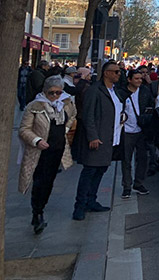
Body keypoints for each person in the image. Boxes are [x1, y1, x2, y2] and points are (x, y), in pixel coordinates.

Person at [18, 77, 77, 234]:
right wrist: (37, 140)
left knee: (49, 181)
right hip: (39, 152)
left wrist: (65, 130)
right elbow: (24, 129)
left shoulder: (65, 103)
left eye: (59, 92)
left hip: (57, 149)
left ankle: (41, 207)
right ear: (45, 91)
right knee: (39, 182)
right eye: (52, 93)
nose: (56, 96)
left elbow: (72, 116)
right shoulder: (34, 106)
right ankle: (37, 212)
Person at [72, 60, 124, 221]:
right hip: (98, 138)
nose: (119, 74)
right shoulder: (94, 90)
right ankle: (79, 206)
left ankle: (91, 200)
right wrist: (92, 136)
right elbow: (88, 115)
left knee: (100, 170)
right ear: (106, 73)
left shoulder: (114, 91)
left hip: (111, 137)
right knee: (89, 172)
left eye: (119, 71)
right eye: (116, 71)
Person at [116, 69, 154, 199]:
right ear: (129, 79)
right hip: (126, 130)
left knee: (143, 158)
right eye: (136, 78)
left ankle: (139, 183)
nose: (139, 81)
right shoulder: (121, 92)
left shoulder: (144, 91)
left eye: (140, 78)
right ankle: (127, 186)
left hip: (141, 130)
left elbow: (151, 106)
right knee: (126, 159)